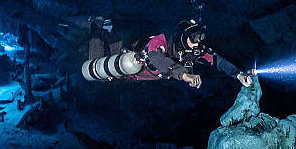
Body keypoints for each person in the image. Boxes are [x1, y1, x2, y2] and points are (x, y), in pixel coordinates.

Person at [88, 17, 252, 89]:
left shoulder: (193, 51)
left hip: (133, 77)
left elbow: (218, 61)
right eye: (194, 37)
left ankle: (104, 31)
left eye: (201, 38)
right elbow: (156, 57)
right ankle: (97, 29)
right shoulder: (161, 42)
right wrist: (185, 75)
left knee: (110, 80)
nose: (198, 42)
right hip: (128, 61)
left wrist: (237, 74)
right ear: (183, 37)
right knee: (97, 70)